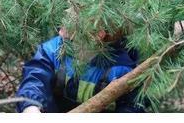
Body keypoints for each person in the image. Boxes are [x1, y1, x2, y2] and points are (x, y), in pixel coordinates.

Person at [16, 27, 144, 113]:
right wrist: (31, 107)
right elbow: (35, 79)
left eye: (72, 23)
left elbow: (132, 108)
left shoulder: (122, 70)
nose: (61, 31)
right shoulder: (53, 50)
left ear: (98, 33)